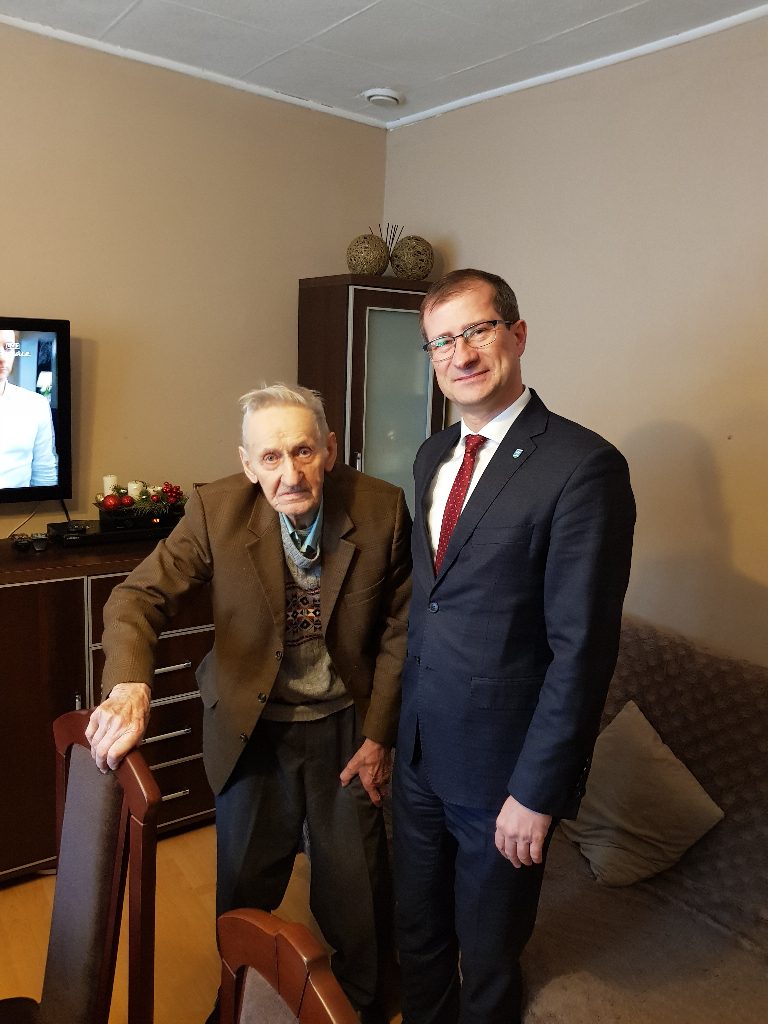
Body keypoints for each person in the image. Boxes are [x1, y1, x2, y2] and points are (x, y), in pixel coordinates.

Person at [86, 383, 412, 1024]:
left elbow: (402, 632)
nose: (289, 473)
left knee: (360, 894)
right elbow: (135, 599)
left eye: (303, 451)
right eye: (270, 457)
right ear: (247, 464)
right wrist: (129, 683)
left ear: (329, 449)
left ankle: (363, 1007)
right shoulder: (216, 511)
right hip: (251, 726)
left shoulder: (382, 509)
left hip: (346, 726)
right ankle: (239, 1002)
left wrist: (380, 736)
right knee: (242, 888)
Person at [393, 269, 636, 1024]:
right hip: (418, 755)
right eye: (442, 341)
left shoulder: (583, 466)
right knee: (418, 938)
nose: (460, 354)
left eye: (477, 331)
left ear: (518, 335)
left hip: (501, 776)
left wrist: (537, 792)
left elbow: (582, 651)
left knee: (489, 957)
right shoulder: (433, 455)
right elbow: (432, 606)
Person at [0, 329, 57, 487]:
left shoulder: (35, 405)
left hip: (21, 502)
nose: (2, 357)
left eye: (8, 347)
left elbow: (45, 472)